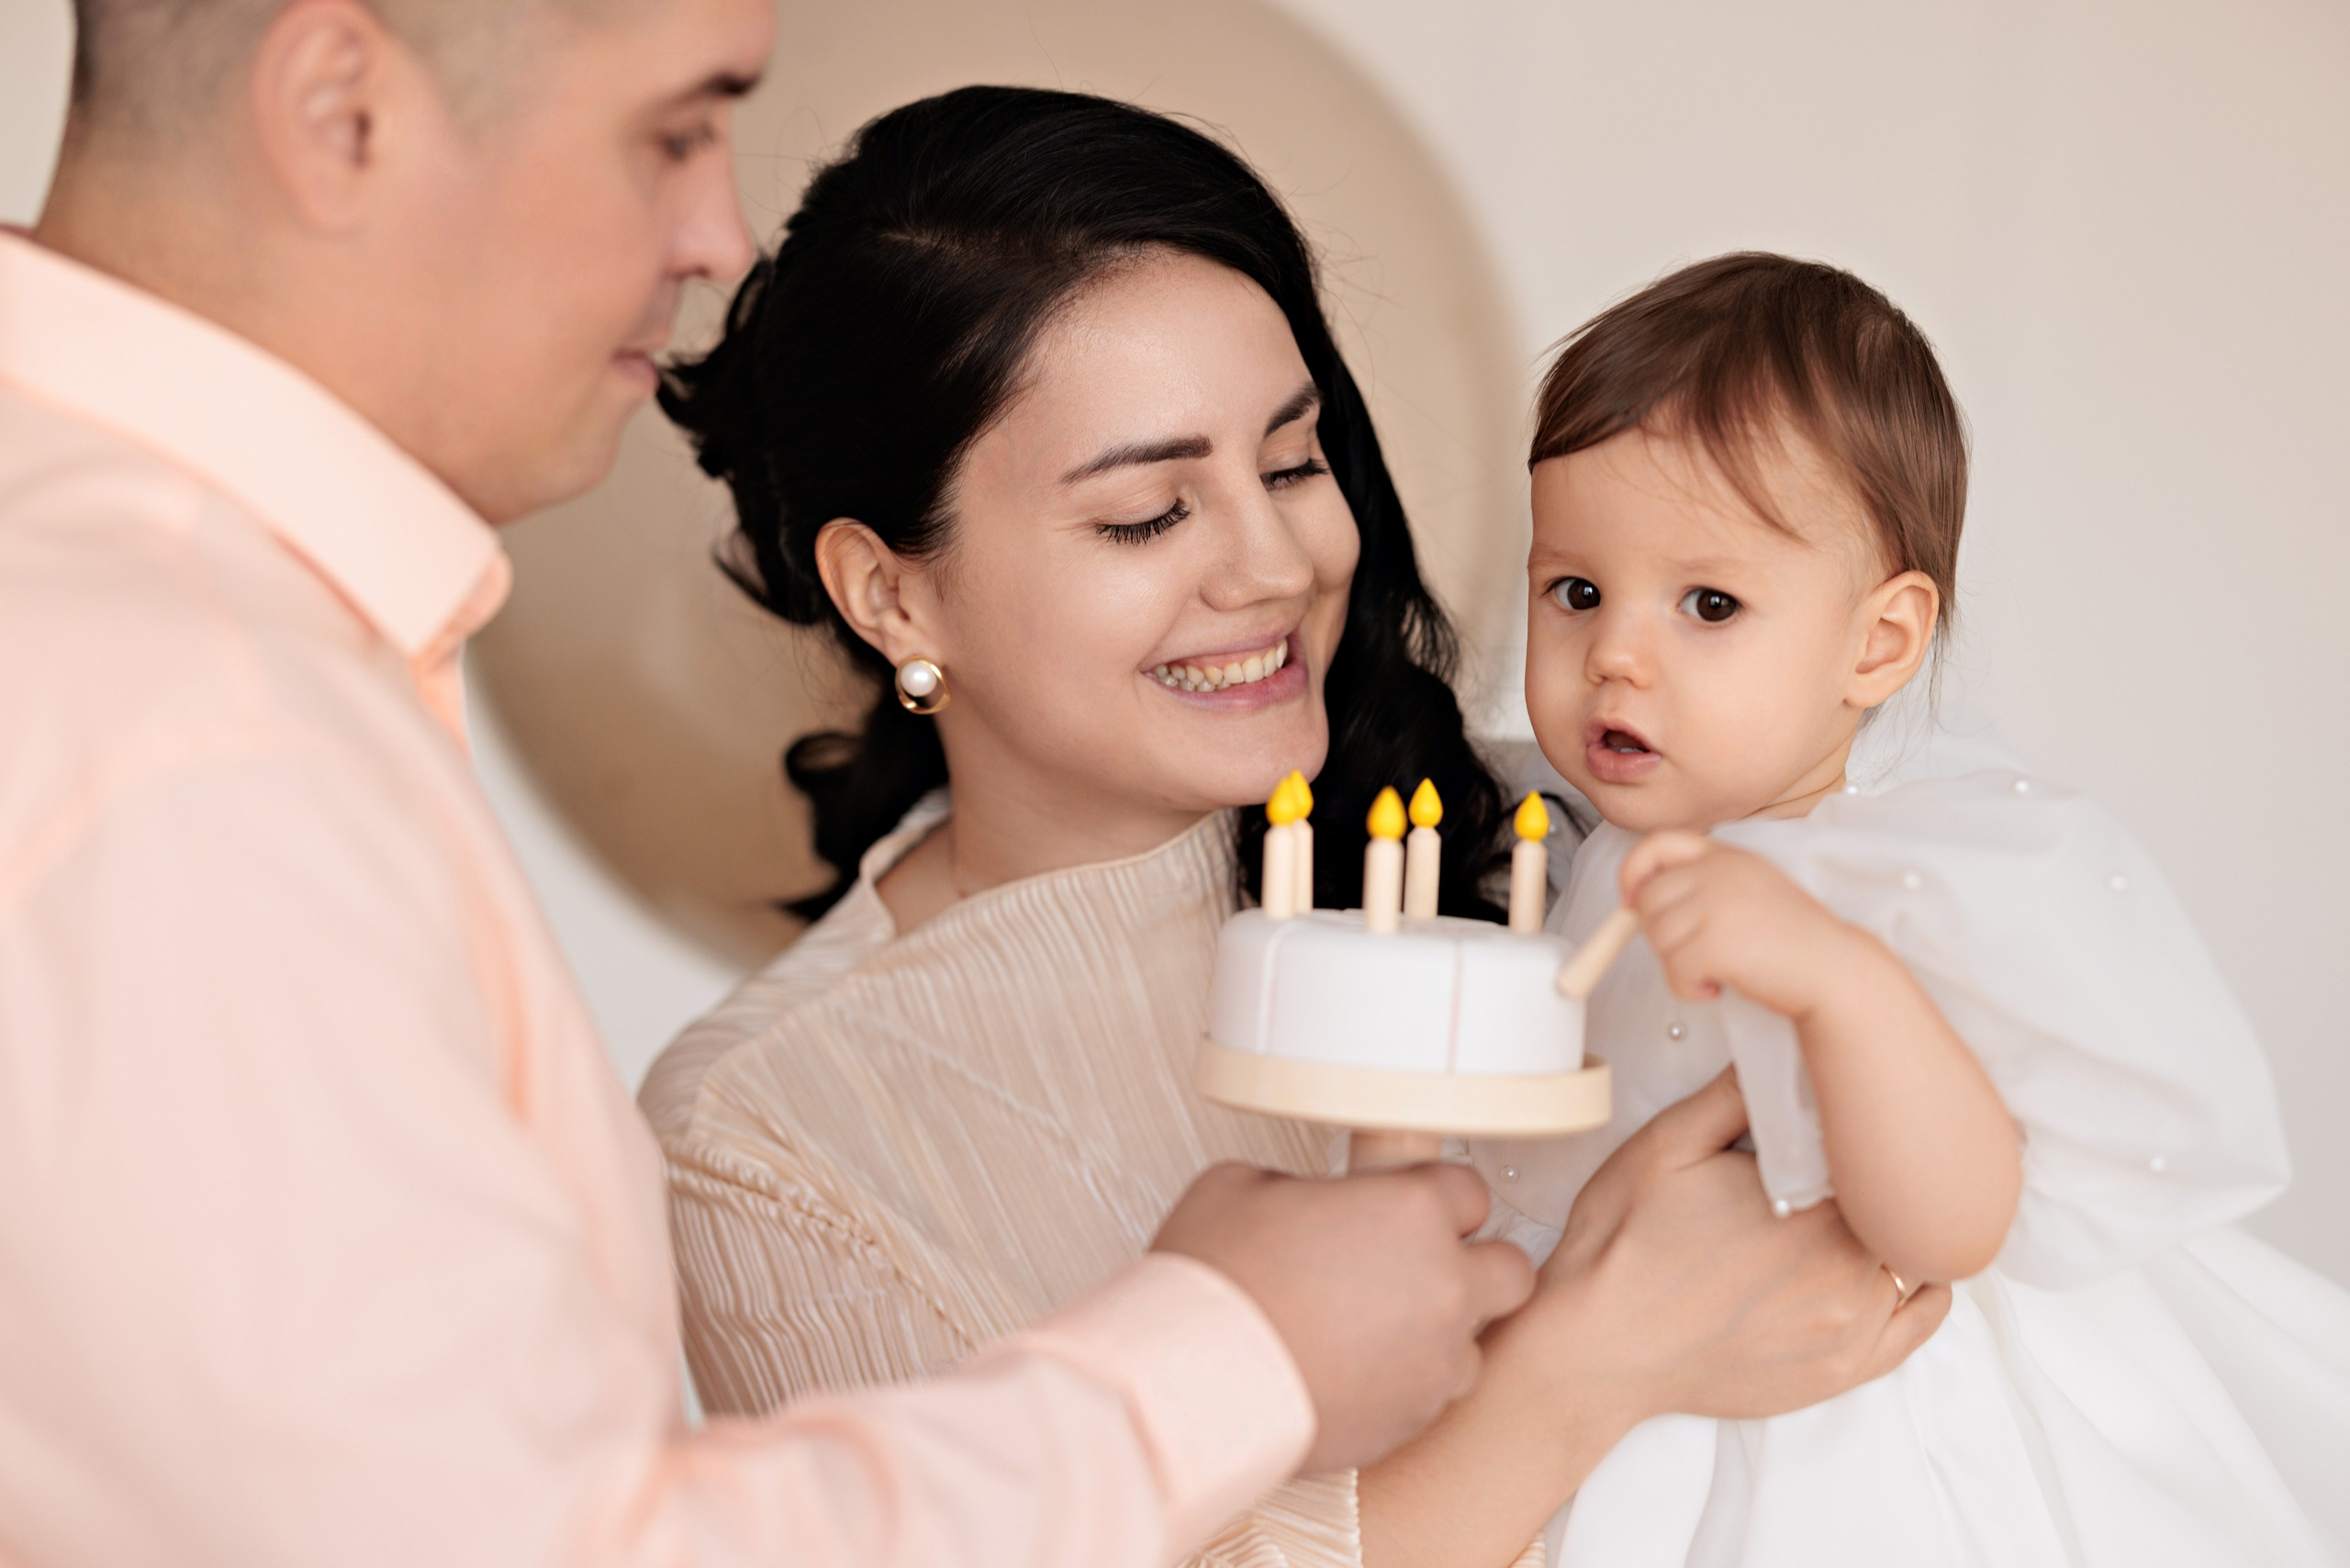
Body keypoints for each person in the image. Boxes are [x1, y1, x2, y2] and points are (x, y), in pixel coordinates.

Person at [0, 3, 1560, 1562]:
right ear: (341, 109)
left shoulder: (1568, 840)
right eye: (674, 130)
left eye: (1294, 463)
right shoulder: (190, 726)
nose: (713, 235)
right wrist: (1250, 1355)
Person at [641, 87, 1949, 1568]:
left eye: (1291, 464)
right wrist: (1588, 1368)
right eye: (1147, 515)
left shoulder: (1593, 842)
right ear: (894, 594)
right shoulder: (762, 1135)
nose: (1275, 566)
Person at [1474, 251, 2350, 1565]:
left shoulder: (1902, 889)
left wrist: (1838, 982)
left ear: (1878, 644)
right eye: (1576, 591)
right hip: (1600, 1347)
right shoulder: (1583, 847)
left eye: (1709, 603)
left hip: (1825, 1411)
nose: (1614, 652)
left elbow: (1950, 1226)